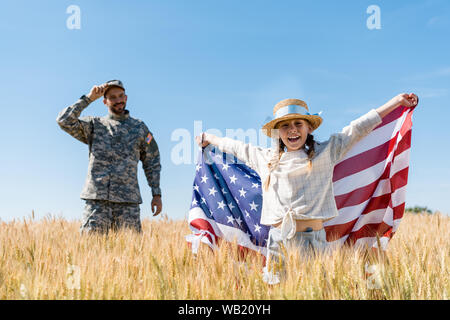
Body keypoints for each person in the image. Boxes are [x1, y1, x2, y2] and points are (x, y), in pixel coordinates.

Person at [196, 93, 418, 284]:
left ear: (309, 127)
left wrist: (396, 102)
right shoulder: (265, 159)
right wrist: (209, 138)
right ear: (277, 132)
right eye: (285, 125)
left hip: (314, 241)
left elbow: (358, 128)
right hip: (279, 241)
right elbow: (235, 146)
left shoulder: (326, 152)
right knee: (280, 292)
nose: (292, 130)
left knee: (317, 291)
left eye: (298, 124)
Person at [57, 80, 162, 234]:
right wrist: (89, 98)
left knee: (131, 254)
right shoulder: (94, 125)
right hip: (97, 203)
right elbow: (64, 120)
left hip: (128, 204)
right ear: (105, 102)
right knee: (90, 253)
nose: (118, 100)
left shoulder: (139, 128)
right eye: (113, 97)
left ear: (126, 98)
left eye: (120, 96)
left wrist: (156, 193)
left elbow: (152, 160)